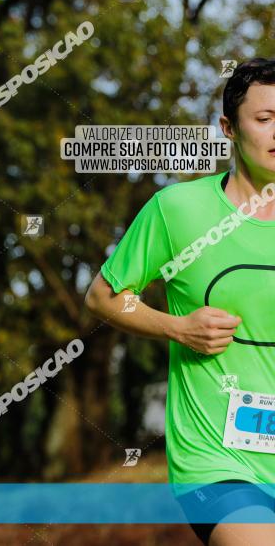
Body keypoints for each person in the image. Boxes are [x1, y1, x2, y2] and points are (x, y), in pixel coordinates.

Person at [85, 58, 275, 545]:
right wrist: (177, 327)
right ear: (229, 128)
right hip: (217, 459)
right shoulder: (179, 210)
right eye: (265, 119)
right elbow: (105, 297)